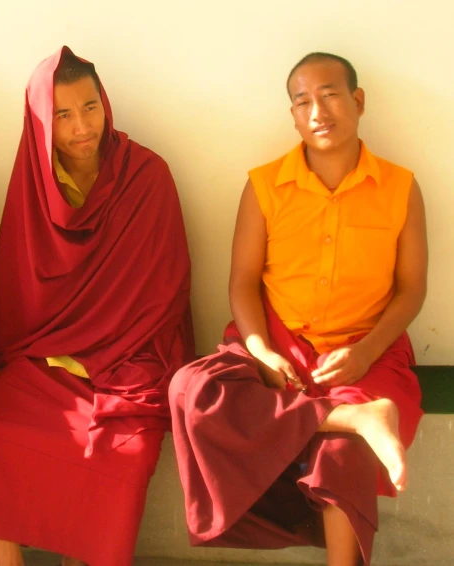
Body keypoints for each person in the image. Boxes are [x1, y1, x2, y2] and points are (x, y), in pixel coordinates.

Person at [169, 52, 427, 566]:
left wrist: (366, 351)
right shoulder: (265, 185)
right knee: (192, 390)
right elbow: (241, 283)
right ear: (291, 115)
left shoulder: (399, 187)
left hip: (366, 351)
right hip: (278, 340)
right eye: (302, 101)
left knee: (342, 456)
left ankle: (355, 429)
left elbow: (412, 290)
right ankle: (352, 417)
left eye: (330, 95)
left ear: (357, 100)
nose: (318, 111)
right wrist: (261, 350)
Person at [0, 47, 195, 566]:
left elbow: (163, 294)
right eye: (62, 115)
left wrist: (91, 356)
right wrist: (14, 363)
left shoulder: (147, 176)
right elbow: (21, 296)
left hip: (127, 359)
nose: (82, 126)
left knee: (121, 455)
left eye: (90, 107)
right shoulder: (35, 185)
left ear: (106, 105)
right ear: (40, 124)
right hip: (43, 360)